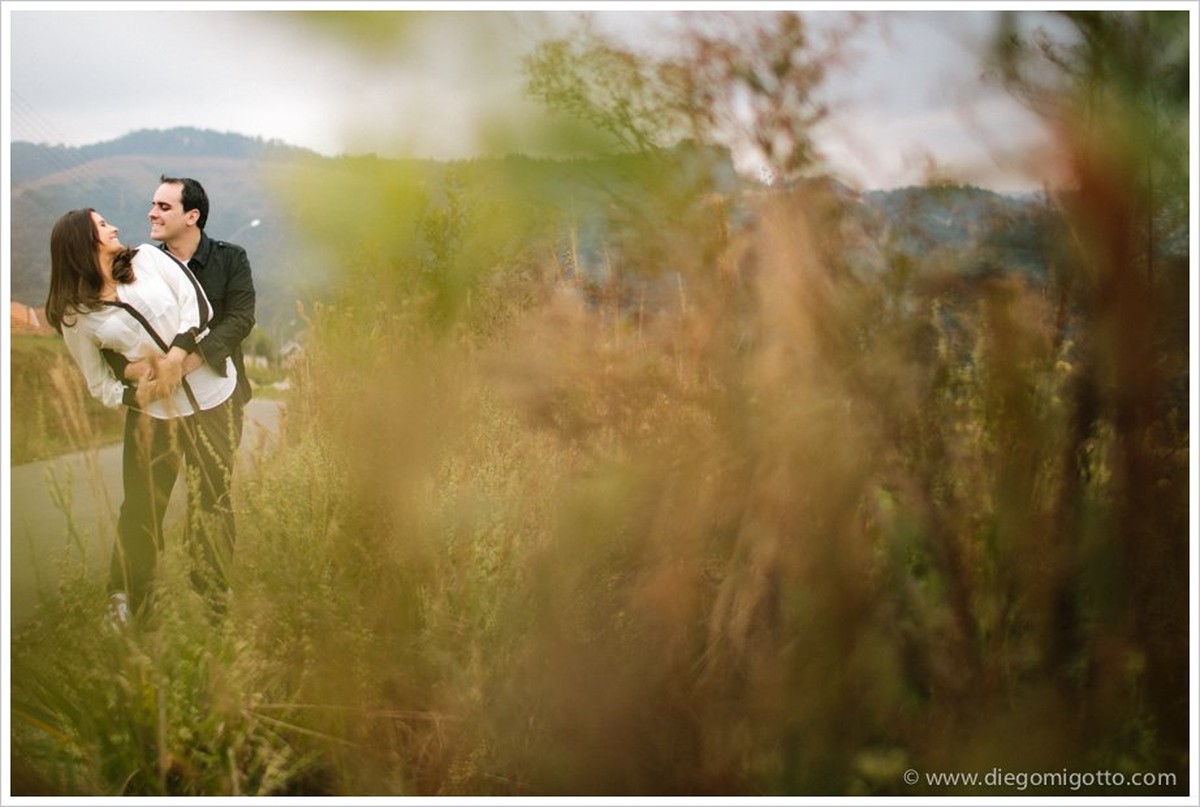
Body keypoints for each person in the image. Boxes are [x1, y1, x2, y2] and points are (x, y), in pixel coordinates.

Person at [47, 208, 238, 623]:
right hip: (153, 418)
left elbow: (199, 309)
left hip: (210, 399)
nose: (113, 227)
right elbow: (99, 384)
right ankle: (132, 603)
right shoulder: (76, 316)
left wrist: (172, 364)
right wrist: (142, 392)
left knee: (214, 501)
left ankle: (215, 599)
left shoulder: (149, 260)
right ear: (83, 242)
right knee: (141, 511)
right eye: (101, 224)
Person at [109, 176, 256, 446]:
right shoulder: (137, 266)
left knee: (214, 488)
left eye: (164, 207)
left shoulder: (231, 258)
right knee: (145, 489)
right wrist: (135, 372)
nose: (152, 213)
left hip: (219, 400)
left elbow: (241, 318)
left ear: (192, 216)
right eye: (153, 205)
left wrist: (183, 365)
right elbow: (113, 332)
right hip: (154, 405)